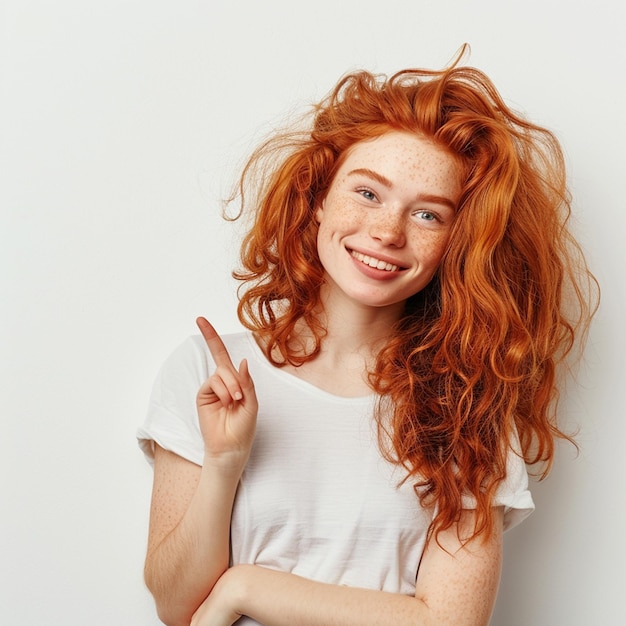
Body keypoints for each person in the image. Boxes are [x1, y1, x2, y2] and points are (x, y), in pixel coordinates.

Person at [137, 48, 597, 626]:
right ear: (318, 196)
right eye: (368, 193)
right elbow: (175, 605)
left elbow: (449, 622)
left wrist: (246, 588)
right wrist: (225, 461)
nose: (386, 232)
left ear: (458, 243)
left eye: (428, 214)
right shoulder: (213, 370)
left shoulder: (466, 407)